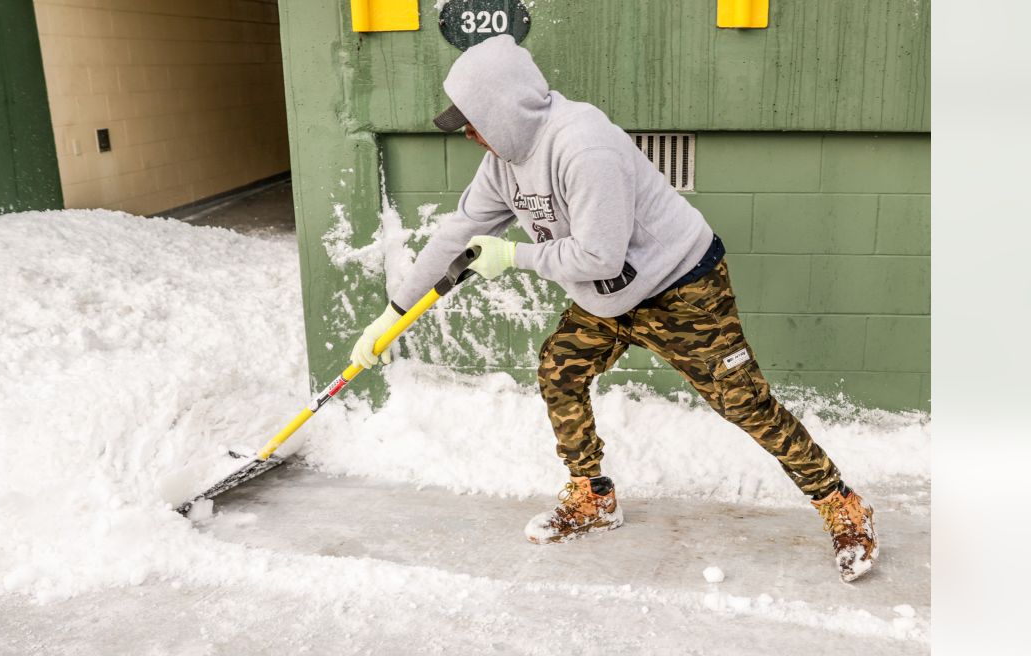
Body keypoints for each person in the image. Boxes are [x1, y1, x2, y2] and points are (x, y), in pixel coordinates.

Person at [347, 35, 878, 583]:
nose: (467, 132)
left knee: (744, 403)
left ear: (505, 108)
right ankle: (592, 498)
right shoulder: (503, 162)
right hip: (605, 297)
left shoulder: (584, 145)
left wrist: (515, 256)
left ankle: (843, 505)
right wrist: (394, 313)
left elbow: (600, 255)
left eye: (474, 119)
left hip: (680, 286)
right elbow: (457, 234)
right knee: (561, 370)